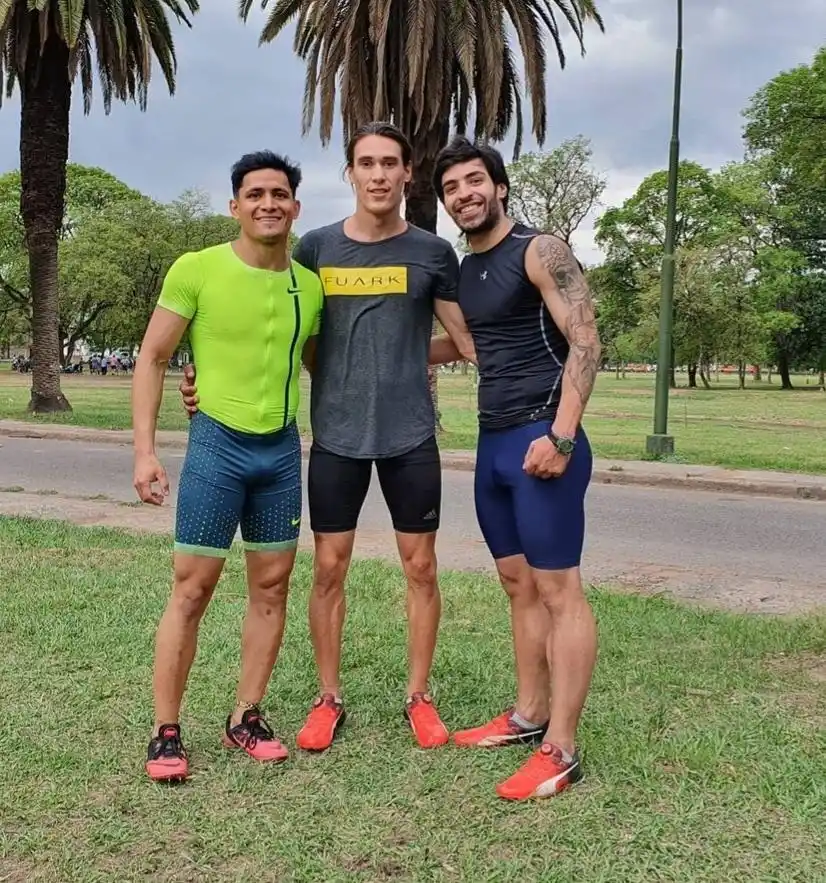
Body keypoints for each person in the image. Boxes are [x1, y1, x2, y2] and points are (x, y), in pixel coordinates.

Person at [179, 122, 475, 751]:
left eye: (389, 163)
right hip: (335, 436)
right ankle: (327, 698)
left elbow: (466, 340)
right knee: (328, 568)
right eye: (365, 162)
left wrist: (408, 356)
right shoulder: (314, 248)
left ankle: (419, 698)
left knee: (420, 566)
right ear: (350, 174)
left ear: (406, 175)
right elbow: (282, 327)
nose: (378, 174)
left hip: (410, 436)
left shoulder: (432, 253)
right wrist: (206, 373)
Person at [132, 151, 324, 782]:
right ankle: (166, 731)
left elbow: (323, 364)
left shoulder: (310, 284)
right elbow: (155, 356)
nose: (268, 203)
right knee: (192, 590)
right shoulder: (198, 269)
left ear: (295, 206)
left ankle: (246, 716)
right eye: (255, 194)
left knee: (272, 589)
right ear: (234, 205)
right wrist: (145, 450)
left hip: (280, 452)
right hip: (217, 446)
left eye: (280, 194)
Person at [432, 136, 602, 801]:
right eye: (452, 187)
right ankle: (529, 714)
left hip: (542, 439)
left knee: (561, 591)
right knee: (517, 585)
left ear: (499, 187)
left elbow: (586, 341)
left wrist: (560, 437)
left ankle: (561, 746)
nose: (465, 194)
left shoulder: (540, 249)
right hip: (493, 443)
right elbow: (474, 344)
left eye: (476, 180)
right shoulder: (464, 269)